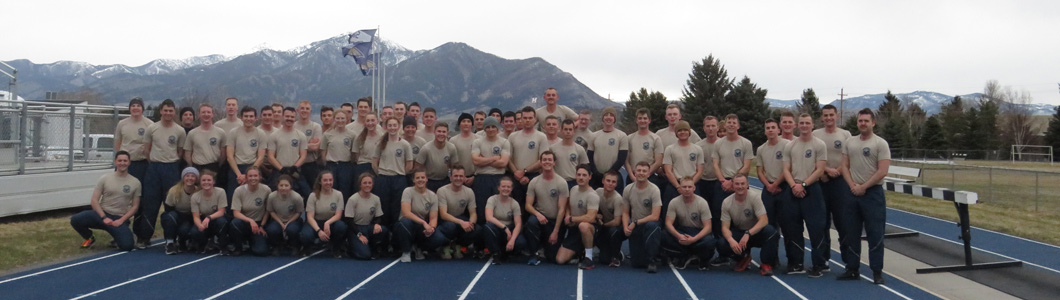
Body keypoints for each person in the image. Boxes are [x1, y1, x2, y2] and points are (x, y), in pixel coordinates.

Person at [838, 108, 891, 285]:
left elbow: (882, 170)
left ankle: (877, 271)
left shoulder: (880, 143)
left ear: (873, 123)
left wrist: (864, 187)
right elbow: (844, 166)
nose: (862, 123)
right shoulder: (850, 142)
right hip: (852, 193)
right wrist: (853, 185)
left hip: (872, 194)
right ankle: (852, 269)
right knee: (851, 233)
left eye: (866, 121)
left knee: (875, 234)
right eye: (860, 121)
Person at [782, 113, 830, 277]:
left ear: (812, 125)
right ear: (797, 125)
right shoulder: (790, 145)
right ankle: (797, 263)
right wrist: (794, 186)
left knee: (816, 229)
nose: (804, 126)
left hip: (812, 189)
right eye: (801, 123)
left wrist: (803, 185)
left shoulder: (819, 144)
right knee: (793, 229)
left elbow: (820, 170)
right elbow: (785, 169)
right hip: (793, 189)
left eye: (807, 123)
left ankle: (818, 264)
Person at [137, 99, 186, 249]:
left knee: (171, 204)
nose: (168, 113)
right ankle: (144, 238)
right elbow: (147, 149)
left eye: (171, 111)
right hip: (154, 169)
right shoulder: (152, 128)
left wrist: (170, 162)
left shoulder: (179, 130)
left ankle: (171, 238)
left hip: (171, 168)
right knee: (150, 205)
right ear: (161, 111)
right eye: (165, 110)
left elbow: (180, 151)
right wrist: (154, 162)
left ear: (174, 112)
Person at [70, 151, 140, 251]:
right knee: (76, 219)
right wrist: (104, 217)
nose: (122, 163)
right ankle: (89, 237)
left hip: (119, 218)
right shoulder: (105, 178)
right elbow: (94, 200)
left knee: (127, 246)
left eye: (125, 161)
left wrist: (121, 220)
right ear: (115, 162)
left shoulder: (135, 182)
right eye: (120, 160)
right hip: (102, 215)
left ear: (129, 163)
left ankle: (120, 236)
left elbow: (135, 206)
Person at [813, 104, 854, 265]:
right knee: (822, 223)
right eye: (825, 115)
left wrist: (837, 170)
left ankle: (848, 261)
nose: (828, 118)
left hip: (840, 183)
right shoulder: (816, 134)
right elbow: (812, 158)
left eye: (831, 115)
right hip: (821, 181)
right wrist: (825, 171)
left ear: (837, 116)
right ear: (822, 117)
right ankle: (823, 260)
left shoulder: (846, 135)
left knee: (843, 222)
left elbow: (849, 158)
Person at [717, 174, 779, 275]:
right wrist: (731, 240)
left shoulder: (754, 197)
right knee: (721, 244)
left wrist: (748, 233)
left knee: (772, 232)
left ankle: (766, 263)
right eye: (737, 184)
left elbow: (764, 220)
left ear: (747, 185)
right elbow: (725, 227)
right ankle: (742, 258)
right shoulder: (727, 202)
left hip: (755, 232)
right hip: (739, 232)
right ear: (732, 185)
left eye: (742, 184)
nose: (740, 186)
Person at [711, 114, 754, 242]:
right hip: (723, 184)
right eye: (729, 122)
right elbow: (715, 164)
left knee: (742, 218)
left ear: (738, 126)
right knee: (719, 217)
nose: (731, 124)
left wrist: (733, 182)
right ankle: (723, 249)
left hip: (740, 184)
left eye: (734, 122)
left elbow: (746, 166)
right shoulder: (718, 143)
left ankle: (742, 251)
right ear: (724, 125)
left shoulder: (746, 143)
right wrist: (723, 181)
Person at [754, 118, 789, 272]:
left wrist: (776, 184)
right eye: (767, 127)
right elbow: (759, 171)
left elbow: (788, 168)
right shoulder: (761, 149)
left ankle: (793, 260)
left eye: (773, 127)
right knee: (769, 227)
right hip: (768, 189)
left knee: (788, 225)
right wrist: (768, 185)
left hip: (784, 188)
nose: (770, 130)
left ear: (778, 130)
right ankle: (771, 259)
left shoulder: (787, 145)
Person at [394, 169, 451, 262]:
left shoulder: (432, 196)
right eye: (417, 178)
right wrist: (424, 223)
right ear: (414, 180)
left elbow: (433, 218)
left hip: (421, 227)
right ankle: (406, 251)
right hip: (408, 224)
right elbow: (406, 213)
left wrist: (431, 228)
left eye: (422, 177)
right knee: (404, 223)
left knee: (439, 238)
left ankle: (419, 248)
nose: (420, 180)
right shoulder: (407, 191)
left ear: (426, 179)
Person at [523, 151, 569, 265]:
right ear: (540, 162)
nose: (547, 162)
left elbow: (562, 209)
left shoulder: (561, 183)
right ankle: (534, 253)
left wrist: (555, 231)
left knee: (552, 258)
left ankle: (546, 245)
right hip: (541, 219)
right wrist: (538, 214)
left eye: (549, 160)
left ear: (554, 163)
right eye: (544, 160)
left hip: (554, 222)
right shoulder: (534, 182)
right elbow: (528, 205)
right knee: (531, 222)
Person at [662, 177, 716, 271]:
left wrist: (694, 239)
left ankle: (700, 258)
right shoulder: (674, 202)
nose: (687, 189)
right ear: (680, 188)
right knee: (663, 235)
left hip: (698, 232)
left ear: (694, 188)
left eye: (689, 187)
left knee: (710, 242)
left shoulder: (702, 202)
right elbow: (668, 223)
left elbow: (708, 227)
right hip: (683, 231)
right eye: (684, 187)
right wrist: (679, 236)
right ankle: (685, 255)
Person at [622, 162, 664, 273]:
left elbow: (655, 216)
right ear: (634, 173)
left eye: (644, 171)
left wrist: (635, 222)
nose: (641, 173)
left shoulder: (654, 190)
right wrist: (626, 226)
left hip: (649, 224)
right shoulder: (628, 189)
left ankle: (652, 260)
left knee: (652, 226)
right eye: (639, 170)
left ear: (648, 174)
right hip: (636, 226)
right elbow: (625, 212)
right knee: (637, 264)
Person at [556, 165, 600, 269]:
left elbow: (591, 217)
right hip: (575, 229)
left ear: (590, 177)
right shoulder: (573, 189)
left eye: (584, 175)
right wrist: (567, 215)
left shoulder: (592, 195)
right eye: (579, 175)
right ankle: (579, 251)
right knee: (560, 260)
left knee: (584, 226)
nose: (581, 177)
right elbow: (568, 206)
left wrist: (572, 219)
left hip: (591, 228)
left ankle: (589, 258)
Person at [373, 117, 414, 226]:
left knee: (397, 206)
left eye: (394, 125)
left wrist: (400, 173)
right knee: (384, 205)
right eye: (390, 125)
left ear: (399, 126)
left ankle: (395, 231)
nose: (392, 128)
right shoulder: (380, 143)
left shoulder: (405, 144)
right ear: (386, 127)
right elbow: (374, 162)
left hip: (399, 179)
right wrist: (381, 173)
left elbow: (409, 164)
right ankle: (385, 231)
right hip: (383, 179)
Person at [509, 106, 550, 208]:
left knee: (533, 206)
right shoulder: (513, 136)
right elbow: (508, 158)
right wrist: (517, 173)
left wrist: (525, 171)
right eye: (525, 118)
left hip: (534, 177)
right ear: (521, 119)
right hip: (515, 177)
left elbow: (543, 159)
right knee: (517, 206)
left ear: (535, 120)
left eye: (530, 118)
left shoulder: (541, 136)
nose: (527, 120)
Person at [436, 166, 481, 259]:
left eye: (461, 176)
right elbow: (443, 214)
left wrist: (471, 223)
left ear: (464, 177)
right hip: (445, 221)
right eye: (455, 176)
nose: (458, 178)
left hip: (460, 219)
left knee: (477, 230)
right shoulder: (442, 191)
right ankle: (445, 245)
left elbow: (473, 213)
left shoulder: (469, 191)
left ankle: (458, 245)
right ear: (450, 177)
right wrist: (462, 223)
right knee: (450, 226)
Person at [471, 117, 510, 223]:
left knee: (499, 208)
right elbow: (475, 161)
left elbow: (503, 163)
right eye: (488, 127)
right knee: (481, 207)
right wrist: (494, 158)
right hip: (481, 177)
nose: (491, 129)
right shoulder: (477, 142)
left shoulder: (504, 142)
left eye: (493, 126)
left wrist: (483, 159)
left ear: (497, 128)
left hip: (498, 178)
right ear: (484, 129)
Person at [226, 106, 268, 203]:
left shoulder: (260, 133)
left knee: (252, 197)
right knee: (232, 197)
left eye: (251, 116)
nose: (248, 119)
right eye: (246, 116)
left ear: (255, 118)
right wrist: (239, 175)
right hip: (236, 169)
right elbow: (229, 156)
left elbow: (261, 157)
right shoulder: (234, 133)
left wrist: (249, 174)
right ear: (241, 117)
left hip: (253, 167)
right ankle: (232, 217)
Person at [228, 166, 272, 256]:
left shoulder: (266, 189)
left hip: (258, 224)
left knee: (261, 251)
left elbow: (268, 210)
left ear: (260, 177)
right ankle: (238, 246)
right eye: (250, 176)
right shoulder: (239, 191)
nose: (253, 178)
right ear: (246, 177)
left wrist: (262, 226)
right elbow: (236, 213)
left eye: (255, 176)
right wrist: (250, 220)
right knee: (235, 223)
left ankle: (253, 241)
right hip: (244, 223)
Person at [301, 171, 347, 257]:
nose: (328, 182)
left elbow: (338, 215)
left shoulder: (338, 194)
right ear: (320, 181)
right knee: (306, 235)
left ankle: (335, 247)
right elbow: (310, 217)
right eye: (325, 180)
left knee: (341, 226)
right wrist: (318, 230)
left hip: (331, 223)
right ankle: (307, 248)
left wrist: (327, 223)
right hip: (316, 222)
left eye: (330, 180)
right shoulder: (313, 195)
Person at [266, 107, 310, 198]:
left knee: (307, 194)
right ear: (282, 116)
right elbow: (270, 156)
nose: (289, 119)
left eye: (292, 117)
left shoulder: (301, 135)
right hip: (278, 171)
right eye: (287, 116)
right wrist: (281, 169)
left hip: (295, 171)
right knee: (272, 195)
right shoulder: (274, 135)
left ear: (295, 118)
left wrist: (294, 167)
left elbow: (303, 155)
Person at [344, 173, 389, 260]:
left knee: (383, 230)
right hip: (355, 229)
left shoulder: (376, 199)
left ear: (372, 184)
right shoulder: (353, 199)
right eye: (365, 183)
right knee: (365, 255)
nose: (367, 185)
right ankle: (350, 248)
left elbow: (378, 216)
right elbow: (348, 221)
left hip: (368, 227)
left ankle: (374, 246)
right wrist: (359, 235)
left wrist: (377, 224)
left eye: (369, 183)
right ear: (360, 185)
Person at [662, 121, 704, 212]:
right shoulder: (670, 149)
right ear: (676, 133)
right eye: (680, 130)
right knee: (668, 211)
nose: (682, 132)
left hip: (693, 184)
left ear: (689, 132)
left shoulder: (697, 149)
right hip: (675, 185)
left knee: (695, 211)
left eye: (685, 130)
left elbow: (700, 171)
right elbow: (668, 171)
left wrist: (689, 185)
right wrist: (678, 187)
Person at [483, 177, 527, 264]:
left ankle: (506, 252)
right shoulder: (492, 199)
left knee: (521, 242)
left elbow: (518, 224)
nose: (506, 189)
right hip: (497, 228)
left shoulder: (514, 203)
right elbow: (489, 217)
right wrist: (504, 228)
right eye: (503, 186)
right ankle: (496, 253)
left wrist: (512, 240)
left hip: (509, 231)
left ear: (511, 189)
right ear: (499, 188)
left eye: (508, 187)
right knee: (487, 227)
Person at [160, 167, 200, 254]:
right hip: (176, 215)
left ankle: (185, 241)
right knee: (170, 217)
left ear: (196, 179)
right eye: (187, 176)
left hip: (190, 217)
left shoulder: (198, 192)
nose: (190, 178)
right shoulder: (174, 191)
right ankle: (170, 242)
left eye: (193, 176)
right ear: (183, 178)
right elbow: (168, 209)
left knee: (185, 230)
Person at [188, 171, 229, 254]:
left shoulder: (220, 192)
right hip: (203, 220)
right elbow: (195, 216)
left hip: (216, 219)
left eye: (209, 180)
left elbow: (221, 211)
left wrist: (209, 218)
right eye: (203, 180)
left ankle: (223, 245)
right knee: (195, 231)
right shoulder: (195, 196)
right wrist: (200, 225)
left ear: (213, 182)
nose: (206, 182)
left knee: (222, 222)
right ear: (200, 182)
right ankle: (203, 244)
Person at [184, 103, 227, 183]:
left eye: (208, 112)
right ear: (199, 115)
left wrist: (218, 165)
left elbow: (223, 154)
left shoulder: (221, 132)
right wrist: (193, 167)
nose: (206, 114)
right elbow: (187, 154)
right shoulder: (192, 133)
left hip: (214, 168)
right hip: (198, 167)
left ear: (212, 114)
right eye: (203, 112)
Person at [114, 97, 153, 182]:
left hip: (142, 163)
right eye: (133, 106)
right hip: (125, 164)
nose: (135, 108)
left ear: (142, 109)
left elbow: (152, 144)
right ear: (129, 108)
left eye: (138, 106)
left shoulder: (150, 124)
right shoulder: (122, 124)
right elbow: (118, 142)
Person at [587, 107, 626, 190]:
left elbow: (621, 159)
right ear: (603, 118)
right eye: (606, 115)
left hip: (614, 177)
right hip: (596, 177)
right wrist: (596, 173)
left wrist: (609, 174)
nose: (608, 117)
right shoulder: (594, 136)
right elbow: (589, 157)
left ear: (614, 119)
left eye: (611, 115)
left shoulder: (622, 136)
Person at [264, 175, 304, 256]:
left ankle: (295, 246)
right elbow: (271, 211)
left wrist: (288, 222)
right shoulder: (272, 196)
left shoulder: (297, 197)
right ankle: (277, 246)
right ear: (277, 186)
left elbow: (298, 212)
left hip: (293, 219)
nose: (283, 188)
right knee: (272, 230)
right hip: (277, 219)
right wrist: (281, 223)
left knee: (292, 229)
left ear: (291, 186)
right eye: (281, 185)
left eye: (286, 185)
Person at [625, 108, 664, 188]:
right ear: (636, 120)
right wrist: (632, 176)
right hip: (632, 177)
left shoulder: (656, 138)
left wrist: (645, 174)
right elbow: (626, 161)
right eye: (640, 118)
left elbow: (658, 161)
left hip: (650, 177)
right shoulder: (629, 138)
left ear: (649, 120)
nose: (642, 120)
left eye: (645, 118)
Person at [322, 111, 357, 198]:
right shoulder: (327, 134)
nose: (340, 121)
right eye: (338, 118)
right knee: (331, 191)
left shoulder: (352, 135)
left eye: (342, 118)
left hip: (345, 166)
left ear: (347, 119)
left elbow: (353, 153)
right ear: (334, 119)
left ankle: (344, 211)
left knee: (345, 191)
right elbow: (323, 152)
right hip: (331, 166)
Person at [594, 171, 626, 267]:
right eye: (608, 181)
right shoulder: (597, 192)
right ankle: (606, 249)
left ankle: (616, 256)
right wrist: (596, 215)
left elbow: (617, 222)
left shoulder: (618, 199)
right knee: (604, 260)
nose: (610, 184)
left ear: (616, 184)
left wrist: (602, 225)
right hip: (604, 225)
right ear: (603, 181)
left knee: (613, 231)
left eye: (613, 182)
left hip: (615, 228)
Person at [417, 122, 460, 191]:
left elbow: (455, 167)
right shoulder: (426, 149)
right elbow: (418, 168)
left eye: (444, 132)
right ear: (434, 132)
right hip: (429, 181)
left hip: (445, 181)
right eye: (439, 131)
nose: (441, 134)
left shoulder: (451, 148)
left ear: (447, 133)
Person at [294, 101, 325, 194]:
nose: (304, 111)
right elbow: (290, 146)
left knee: (313, 192)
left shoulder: (316, 126)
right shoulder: (293, 126)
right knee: (298, 191)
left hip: (311, 165)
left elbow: (316, 147)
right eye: (302, 108)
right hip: (296, 165)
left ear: (310, 111)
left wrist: (299, 145)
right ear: (297, 110)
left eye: (307, 109)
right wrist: (309, 144)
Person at [551, 119, 589, 189]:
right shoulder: (553, 148)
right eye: (565, 129)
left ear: (574, 131)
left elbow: (585, 168)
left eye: (570, 129)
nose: (568, 132)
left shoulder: (580, 149)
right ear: (561, 131)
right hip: (557, 182)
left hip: (574, 182)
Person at [695, 116, 721, 202]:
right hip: (702, 182)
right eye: (708, 126)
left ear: (718, 128)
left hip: (719, 182)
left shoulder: (724, 144)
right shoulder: (698, 146)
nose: (710, 128)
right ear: (704, 128)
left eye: (713, 126)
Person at [450, 113, 479, 186]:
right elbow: (452, 162)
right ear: (459, 124)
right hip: (458, 177)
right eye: (463, 121)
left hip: (475, 176)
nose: (466, 124)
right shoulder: (453, 140)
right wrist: (461, 176)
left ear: (472, 124)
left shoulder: (478, 139)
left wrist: (474, 177)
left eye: (468, 121)